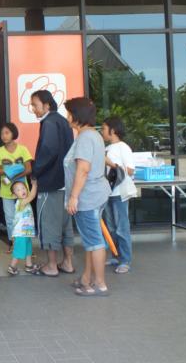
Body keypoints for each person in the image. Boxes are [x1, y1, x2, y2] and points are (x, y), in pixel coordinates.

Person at [63, 98, 112, 296]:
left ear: (77, 115)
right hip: (97, 193)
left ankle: (99, 285)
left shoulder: (85, 138)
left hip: (88, 197)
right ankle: (86, 278)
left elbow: (83, 169)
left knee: (94, 241)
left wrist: (74, 197)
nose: (67, 117)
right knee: (92, 240)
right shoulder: (93, 135)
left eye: (69, 113)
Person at [30, 90, 75, 277]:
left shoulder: (48, 122)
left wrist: (35, 171)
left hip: (50, 182)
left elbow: (48, 151)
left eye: (35, 105)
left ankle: (51, 265)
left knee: (48, 223)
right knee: (65, 225)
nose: (33, 109)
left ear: (47, 105)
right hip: (65, 182)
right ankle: (68, 263)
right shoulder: (63, 122)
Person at [102, 116, 135, 274]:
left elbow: (130, 170)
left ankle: (125, 260)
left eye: (104, 128)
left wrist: (111, 164)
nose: (102, 131)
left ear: (113, 130)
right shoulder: (107, 148)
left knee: (121, 227)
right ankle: (116, 255)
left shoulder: (123, 147)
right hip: (108, 193)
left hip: (120, 193)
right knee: (111, 228)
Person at [0, 123, 33, 251]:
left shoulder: (23, 149)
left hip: (22, 191)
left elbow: (28, 169)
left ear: (13, 133)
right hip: (6, 191)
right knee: (10, 219)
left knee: (25, 218)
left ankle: (26, 246)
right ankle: (13, 243)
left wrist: (11, 176)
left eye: (7, 133)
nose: (4, 136)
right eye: (2, 133)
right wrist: (13, 169)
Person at [7, 180, 38, 275]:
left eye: (24, 188)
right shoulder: (21, 202)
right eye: (18, 190)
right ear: (14, 195)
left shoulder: (25, 202)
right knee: (19, 249)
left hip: (26, 231)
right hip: (20, 233)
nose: (22, 190)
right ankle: (12, 267)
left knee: (28, 248)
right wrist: (34, 185)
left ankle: (29, 265)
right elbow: (32, 196)